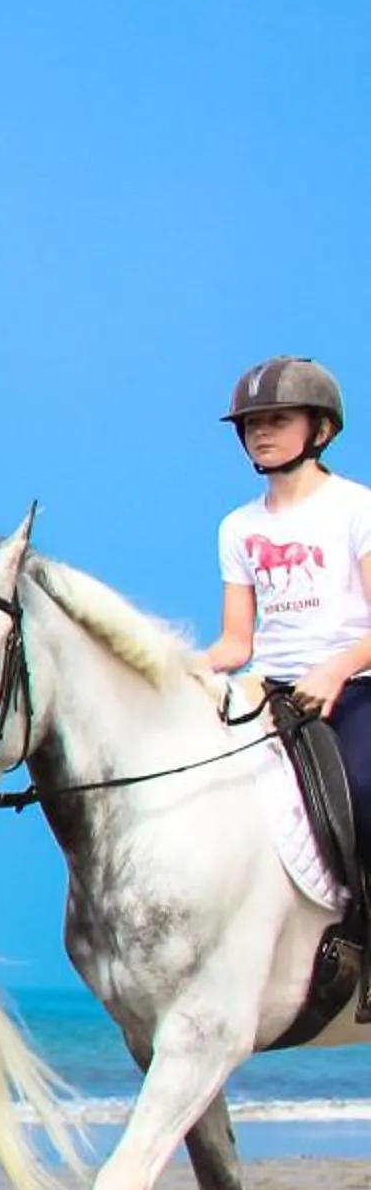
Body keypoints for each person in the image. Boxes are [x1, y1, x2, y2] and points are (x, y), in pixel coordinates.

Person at [199, 357, 371, 855]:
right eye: (253, 424)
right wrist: (175, 669)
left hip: (352, 687)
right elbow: (235, 643)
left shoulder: (356, 508)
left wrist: (335, 671)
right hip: (270, 692)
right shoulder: (238, 527)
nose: (261, 433)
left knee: (363, 789)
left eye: (278, 420)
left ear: (320, 429)